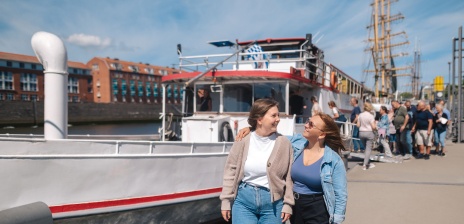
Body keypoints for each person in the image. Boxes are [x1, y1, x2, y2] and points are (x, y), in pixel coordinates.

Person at [236, 113, 348, 223]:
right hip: (294, 205)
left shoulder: (334, 160)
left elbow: (340, 195)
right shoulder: (297, 143)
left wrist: (336, 220)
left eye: (311, 124)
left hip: (317, 208)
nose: (306, 125)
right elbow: (274, 136)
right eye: (307, 121)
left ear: (322, 134)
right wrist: (252, 129)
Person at [220, 99, 293, 223]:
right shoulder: (243, 139)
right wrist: (226, 201)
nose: (278, 119)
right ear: (259, 119)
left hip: (273, 205)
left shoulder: (284, 143)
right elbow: (230, 170)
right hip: (244, 202)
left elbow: (289, 176)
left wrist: (288, 204)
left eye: (278, 115)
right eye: (273, 115)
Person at [357, 102, 377, 170]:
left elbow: (358, 125)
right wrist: (376, 127)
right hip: (369, 132)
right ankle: (365, 165)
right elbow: (373, 127)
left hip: (361, 132)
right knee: (368, 149)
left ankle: (367, 162)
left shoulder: (360, 115)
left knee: (366, 148)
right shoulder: (371, 116)